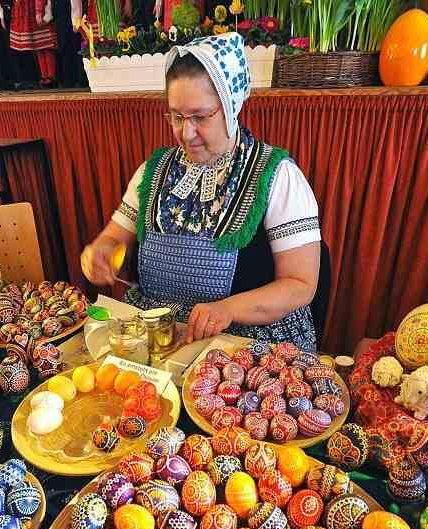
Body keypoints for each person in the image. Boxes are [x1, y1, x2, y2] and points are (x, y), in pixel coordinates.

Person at [81, 32, 321, 348]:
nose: (186, 132)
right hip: (161, 332)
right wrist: (101, 251)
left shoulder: (278, 176)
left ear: (231, 106)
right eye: (177, 117)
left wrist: (228, 309)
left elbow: (301, 284)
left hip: (243, 340)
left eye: (200, 117)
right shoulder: (154, 171)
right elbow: (113, 237)